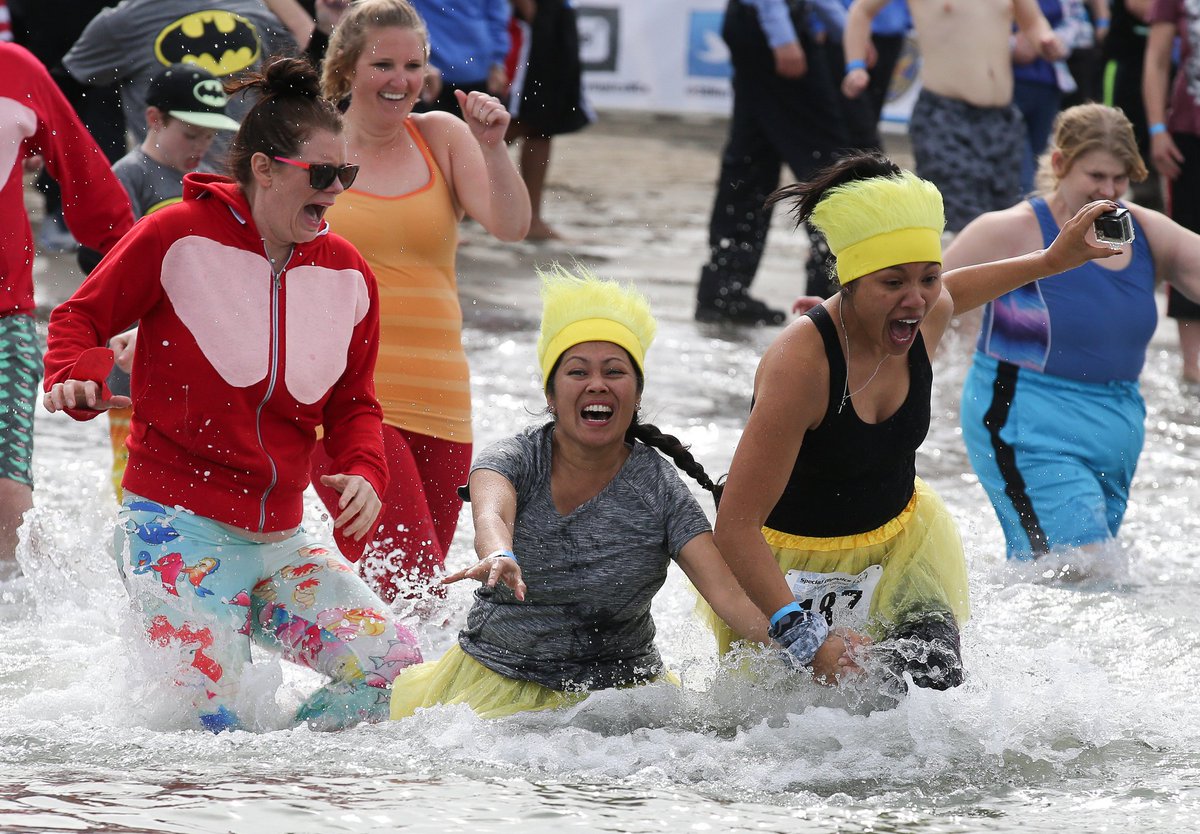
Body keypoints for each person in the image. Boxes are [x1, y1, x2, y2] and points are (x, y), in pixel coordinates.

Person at [41, 57, 422, 733]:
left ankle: (287, 789)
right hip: (173, 525)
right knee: (209, 732)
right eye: (323, 174)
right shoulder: (175, 235)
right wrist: (74, 376)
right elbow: (79, 318)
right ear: (266, 169)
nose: (337, 191)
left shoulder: (348, 274)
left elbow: (354, 404)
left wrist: (365, 469)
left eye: (347, 174)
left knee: (393, 669)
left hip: (280, 537)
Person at [706, 152, 1122, 691]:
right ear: (848, 284)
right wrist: (806, 638)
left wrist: (1048, 262)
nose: (917, 300)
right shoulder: (799, 367)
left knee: (928, 682)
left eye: (929, 278)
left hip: (900, 546)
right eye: (893, 283)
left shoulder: (923, 318)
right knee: (797, 734)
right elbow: (735, 528)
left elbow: (960, 289)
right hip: (783, 572)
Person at [390, 265, 773, 720]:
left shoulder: (661, 489)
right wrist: (498, 554)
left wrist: (806, 647)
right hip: (494, 689)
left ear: (635, 395)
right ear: (551, 395)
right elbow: (492, 513)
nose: (597, 384)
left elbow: (728, 596)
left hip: (622, 699)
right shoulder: (516, 459)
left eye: (615, 371)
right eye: (577, 371)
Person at [315, 0, 530, 605]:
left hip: (442, 399)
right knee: (409, 587)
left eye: (414, 64)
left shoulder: (442, 136)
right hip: (347, 401)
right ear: (346, 69)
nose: (401, 80)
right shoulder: (314, 144)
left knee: (416, 600)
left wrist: (493, 146)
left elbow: (511, 225)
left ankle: (372, 696)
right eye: (383, 64)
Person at [944, 104, 1200, 564]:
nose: (1109, 192)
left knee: (1078, 576)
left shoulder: (1145, 231)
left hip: (1116, 424)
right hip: (1026, 420)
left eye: (1120, 180)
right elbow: (919, 297)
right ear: (1060, 164)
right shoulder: (1010, 231)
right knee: (1078, 567)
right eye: (1096, 176)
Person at [0, 42, 133, 566]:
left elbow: (91, 184)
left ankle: (29, 637)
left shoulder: (15, 70)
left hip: (5, 319)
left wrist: (144, 284)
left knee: (9, 505)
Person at [98, 62, 243, 501]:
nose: (202, 146)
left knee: (198, 466)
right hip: (134, 352)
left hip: (198, 348)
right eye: (190, 133)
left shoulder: (211, 183)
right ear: (154, 119)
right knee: (133, 469)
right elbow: (111, 272)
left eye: (209, 135)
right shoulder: (130, 176)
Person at [844, 0, 1066, 232]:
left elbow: (1032, 22)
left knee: (1009, 219)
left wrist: (1045, 39)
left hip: (1002, 121)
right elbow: (861, 10)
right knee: (961, 223)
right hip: (945, 118)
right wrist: (855, 65)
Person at [694, 0, 849, 326]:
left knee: (752, 160)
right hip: (774, 26)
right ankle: (831, 288)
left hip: (768, 25)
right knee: (828, 162)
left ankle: (724, 290)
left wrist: (843, 30)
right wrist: (783, 36)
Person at [62, 0, 295, 167]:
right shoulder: (121, 23)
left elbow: (295, 81)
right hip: (168, 175)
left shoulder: (253, 8)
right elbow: (62, 88)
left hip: (250, 174)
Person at [1143, 0, 1200, 384]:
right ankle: (1193, 365)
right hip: (1188, 130)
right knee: (1188, 234)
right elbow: (1157, 58)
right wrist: (1157, 129)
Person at [505, 0, 594, 241]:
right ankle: (454, 193)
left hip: (557, 13)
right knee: (516, 118)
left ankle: (532, 218)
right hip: (534, 18)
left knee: (545, 122)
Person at [410, 0, 511, 116]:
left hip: (481, 75)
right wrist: (419, 62)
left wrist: (497, 63)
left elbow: (497, 16)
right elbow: (396, 15)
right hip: (431, 80)